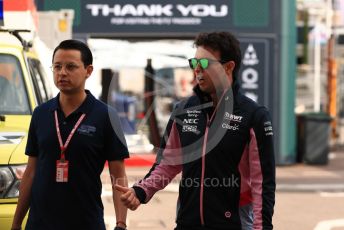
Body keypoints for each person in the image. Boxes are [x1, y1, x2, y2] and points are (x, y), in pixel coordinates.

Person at [116, 32, 276, 230]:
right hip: (187, 222)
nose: (197, 70)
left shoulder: (254, 116)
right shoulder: (183, 110)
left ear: (229, 67)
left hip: (233, 223)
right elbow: (168, 163)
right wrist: (140, 191)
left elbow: (263, 184)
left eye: (205, 63)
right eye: (194, 63)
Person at [11, 39, 129, 230]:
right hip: (40, 224)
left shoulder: (106, 116)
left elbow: (118, 175)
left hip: (86, 222)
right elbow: (30, 172)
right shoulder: (41, 114)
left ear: (88, 71)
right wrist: (16, 223)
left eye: (71, 67)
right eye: (57, 67)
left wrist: (121, 224)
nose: (62, 72)